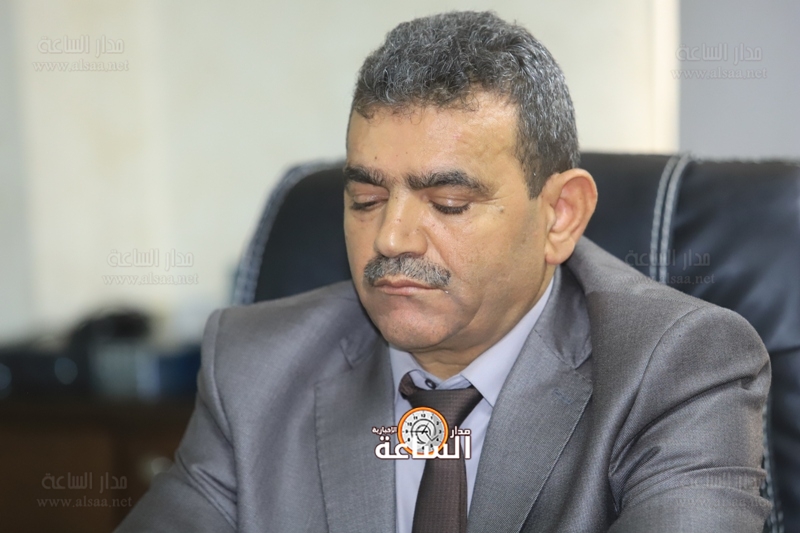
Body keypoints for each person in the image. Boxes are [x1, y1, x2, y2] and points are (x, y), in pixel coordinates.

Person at [117, 11, 771, 533]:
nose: (391, 237)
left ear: (560, 215)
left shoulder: (676, 369)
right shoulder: (254, 368)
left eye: (449, 202)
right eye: (365, 199)